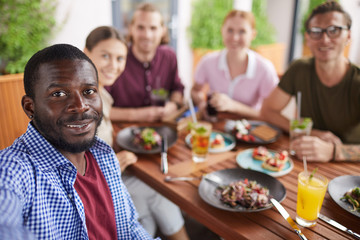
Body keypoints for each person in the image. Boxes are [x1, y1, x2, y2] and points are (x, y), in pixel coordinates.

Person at [0, 44, 155, 240]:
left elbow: (129, 228)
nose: (81, 107)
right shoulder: (14, 169)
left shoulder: (104, 156)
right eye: (59, 94)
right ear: (30, 108)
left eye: (89, 91)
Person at [84, 26, 189, 240]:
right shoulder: (81, 101)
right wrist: (113, 161)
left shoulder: (100, 92)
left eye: (120, 58)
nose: (114, 66)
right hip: (96, 191)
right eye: (105, 56)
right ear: (86, 53)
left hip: (115, 178)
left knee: (154, 203)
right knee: (159, 193)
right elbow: (74, 165)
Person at [261, 1, 360, 162]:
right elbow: (267, 111)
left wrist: (333, 151)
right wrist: (313, 133)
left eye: (334, 30)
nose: (325, 39)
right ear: (307, 38)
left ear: (348, 36)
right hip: (303, 162)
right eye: (316, 31)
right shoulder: (299, 68)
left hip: (350, 174)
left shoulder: (357, 81)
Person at [191, 10, 279, 120]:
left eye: (242, 31)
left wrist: (233, 105)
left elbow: (270, 114)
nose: (235, 38)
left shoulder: (265, 69)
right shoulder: (207, 61)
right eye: (230, 30)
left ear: (253, 34)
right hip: (216, 125)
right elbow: (195, 91)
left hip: (249, 130)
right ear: (222, 31)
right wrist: (201, 103)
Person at [106, 3, 184, 122]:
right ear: (131, 29)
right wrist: (136, 115)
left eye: (153, 28)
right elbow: (100, 108)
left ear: (163, 30)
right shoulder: (116, 58)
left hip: (160, 128)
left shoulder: (170, 56)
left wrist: (173, 105)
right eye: (140, 27)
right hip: (120, 130)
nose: (147, 35)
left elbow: (177, 89)